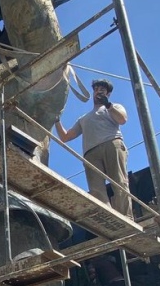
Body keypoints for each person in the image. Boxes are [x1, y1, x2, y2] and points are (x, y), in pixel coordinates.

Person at [54, 79, 132, 217]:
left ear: (108, 94)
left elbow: (122, 119)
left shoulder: (114, 107)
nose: (98, 92)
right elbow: (65, 137)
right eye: (96, 89)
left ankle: (126, 217)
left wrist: (108, 105)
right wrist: (56, 120)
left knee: (119, 183)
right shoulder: (84, 118)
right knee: (96, 191)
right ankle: (110, 219)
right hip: (90, 153)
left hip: (111, 144)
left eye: (102, 90)